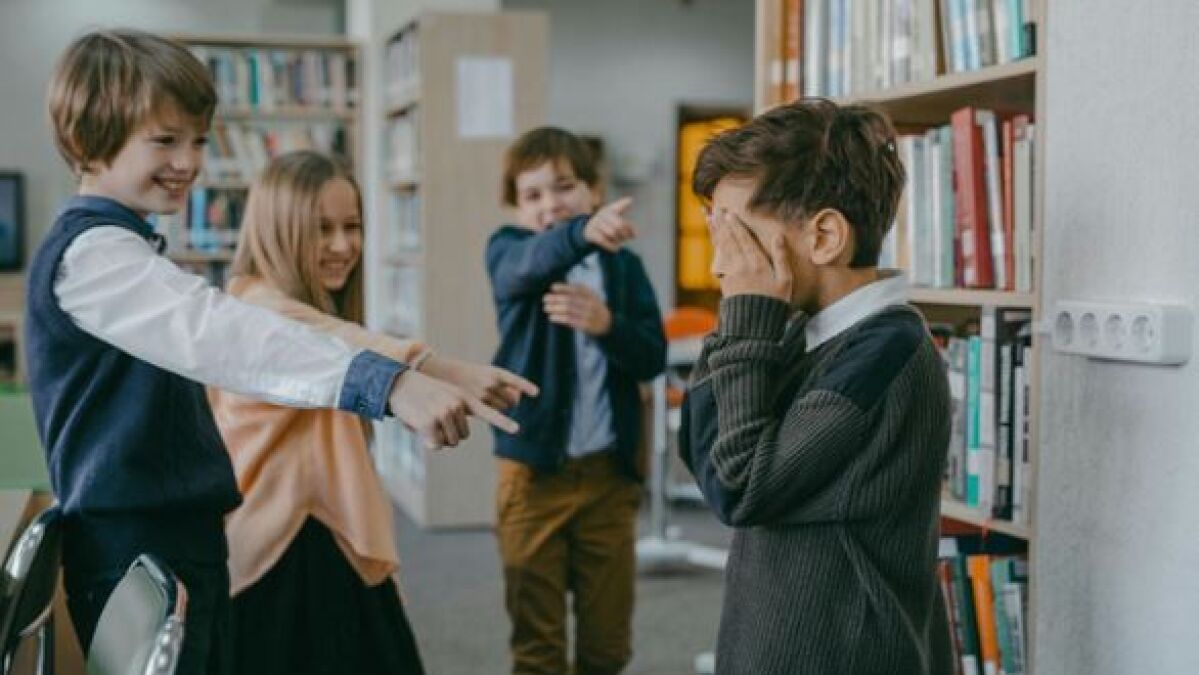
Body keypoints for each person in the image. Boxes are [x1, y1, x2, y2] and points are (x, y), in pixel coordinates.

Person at [27, 29, 515, 673]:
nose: (189, 162)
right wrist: (390, 383)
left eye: (199, 141)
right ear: (89, 137)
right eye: (165, 140)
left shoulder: (126, 246)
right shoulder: (92, 256)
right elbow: (221, 332)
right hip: (140, 548)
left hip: (171, 539)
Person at [208, 150, 537, 674]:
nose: (343, 246)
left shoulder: (284, 304)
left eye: (352, 226)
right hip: (284, 546)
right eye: (322, 229)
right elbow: (341, 344)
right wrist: (440, 369)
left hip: (315, 530)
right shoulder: (256, 308)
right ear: (277, 229)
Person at [679, 99, 953, 674]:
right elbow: (705, 449)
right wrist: (743, 322)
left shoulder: (886, 353)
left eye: (738, 235)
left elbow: (740, 488)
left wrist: (746, 316)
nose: (722, 264)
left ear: (824, 236)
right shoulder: (798, 331)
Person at [486, 127, 666, 675]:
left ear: (594, 189)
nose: (550, 205)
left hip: (608, 480)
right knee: (537, 648)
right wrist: (581, 232)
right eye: (532, 195)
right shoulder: (510, 250)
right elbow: (530, 262)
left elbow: (652, 356)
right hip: (533, 479)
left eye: (564, 187)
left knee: (606, 648)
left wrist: (608, 325)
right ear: (516, 208)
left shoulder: (624, 268)